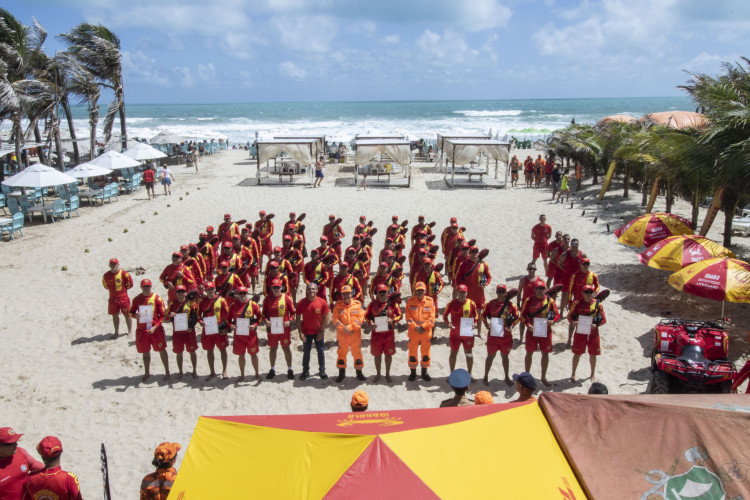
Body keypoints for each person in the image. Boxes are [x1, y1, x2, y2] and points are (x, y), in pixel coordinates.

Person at [520, 279, 560, 386]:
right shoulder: (529, 300)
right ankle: (527, 375)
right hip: (532, 330)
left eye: (542, 289)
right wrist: (528, 325)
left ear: (545, 289)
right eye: (538, 288)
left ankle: (543, 377)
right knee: (529, 353)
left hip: (545, 331)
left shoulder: (550, 301)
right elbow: (522, 316)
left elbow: (557, 314)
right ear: (534, 289)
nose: (539, 291)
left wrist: (553, 321)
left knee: (545, 353)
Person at [129, 279, 170, 382]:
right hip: (142, 330)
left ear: (151, 287)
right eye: (144, 286)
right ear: (141, 287)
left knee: (161, 350)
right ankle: (147, 373)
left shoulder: (157, 298)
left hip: (155, 329)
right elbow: (130, 313)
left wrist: (155, 326)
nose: (146, 288)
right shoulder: (137, 299)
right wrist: (135, 315)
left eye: (147, 286)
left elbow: (163, 316)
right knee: (145, 352)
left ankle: (167, 372)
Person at [481, 284, 520, 386]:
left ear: (506, 293)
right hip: (493, 335)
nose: (501, 293)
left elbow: (517, 318)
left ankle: (506, 377)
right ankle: (485, 376)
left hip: (506, 336)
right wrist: (486, 325)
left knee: (505, 357)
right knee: (490, 356)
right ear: (496, 292)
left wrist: (512, 326)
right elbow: (483, 315)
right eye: (499, 291)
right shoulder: (490, 303)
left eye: (503, 291)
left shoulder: (511, 305)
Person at [364, 283, 402, 383]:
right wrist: (370, 323)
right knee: (377, 355)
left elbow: (400, 315)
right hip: (376, 334)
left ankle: (387, 374)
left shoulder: (393, 304)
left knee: (388, 355)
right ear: (377, 293)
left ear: (387, 292)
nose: (382, 294)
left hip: (388, 335)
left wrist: (393, 320)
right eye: (380, 292)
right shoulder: (372, 304)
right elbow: (366, 316)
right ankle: (378, 374)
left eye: (384, 292)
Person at [568, 285, 607, 382]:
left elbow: (604, 320)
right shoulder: (576, 303)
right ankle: (573, 374)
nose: (588, 294)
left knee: (593, 354)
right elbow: (570, 316)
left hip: (593, 333)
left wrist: (597, 325)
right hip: (580, 332)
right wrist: (573, 322)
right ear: (582, 293)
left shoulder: (598, 305)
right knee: (577, 353)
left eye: (590, 292)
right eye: (586, 292)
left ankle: (592, 374)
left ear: (594, 293)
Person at [261, 278, 296, 380]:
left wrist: (289, 320)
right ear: (271, 288)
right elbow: (264, 314)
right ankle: (272, 369)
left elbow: (293, 312)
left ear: (281, 287)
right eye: (274, 287)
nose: (276, 289)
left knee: (286, 348)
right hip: (272, 329)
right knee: (273, 349)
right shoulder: (267, 300)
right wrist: (266, 321)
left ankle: (289, 369)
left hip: (284, 328)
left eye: (277, 287)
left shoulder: (286, 298)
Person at [331, 285, 367, 383]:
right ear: (341, 295)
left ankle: (359, 372)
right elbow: (335, 320)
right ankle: (341, 373)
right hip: (342, 334)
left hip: (355, 333)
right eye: (344, 294)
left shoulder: (358, 304)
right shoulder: (338, 306)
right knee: (341, 353)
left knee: (357, 353)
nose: (346, 296)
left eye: (348, 293)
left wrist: (350, 327)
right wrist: (344, 328)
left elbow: (361, 319)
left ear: (352, 294)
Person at [295, 283, 331, 381]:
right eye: (309, 289)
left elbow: (326, 318)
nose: (311, 291)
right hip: (306, 332)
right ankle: (305, 371)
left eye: (313, 289)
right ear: (306, 290)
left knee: (320, 350)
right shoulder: (301, 302)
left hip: (318, 332)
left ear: (317, 290)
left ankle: (322, 370)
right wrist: (300, 332)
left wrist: (321, 331)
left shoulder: (322, 302)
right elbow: (297, 318)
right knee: (306, 351)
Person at [442, 285, 478, 380]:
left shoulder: (471, 303)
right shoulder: (452, 303)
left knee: (469, 354)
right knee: (453, 354)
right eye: (460, 292)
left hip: (467, 335)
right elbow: (444, 315)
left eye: (464, 292)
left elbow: (476, 316)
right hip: (455, 335)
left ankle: (469, 373)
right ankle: (452, 374)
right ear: (457, 293)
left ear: (467, 293)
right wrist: (448, 323)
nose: (462, 294)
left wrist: (475, 323)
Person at [228, 286, 262, 382]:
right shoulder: (233, 306)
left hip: (251, 335)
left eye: (244, 293)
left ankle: (257, 373)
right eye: (240, 293)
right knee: (241, 355)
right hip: (239, 335)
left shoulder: (253, 305)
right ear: (237, 295)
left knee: (253, 355)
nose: (242, 295)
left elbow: (260, 317)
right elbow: (228, 320)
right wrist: (231, 326)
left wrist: (255, 325)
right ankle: (242, 375)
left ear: (247, 294)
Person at [0, 427, 44, 500]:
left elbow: (35, 465)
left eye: (16, 441)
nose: (16, 445)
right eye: (11, 443)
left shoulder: (21, 452)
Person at [455, 247, 491, 335]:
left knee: (478, 314)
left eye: (476, 251)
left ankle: (478, 333)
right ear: (470, 252)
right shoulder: (464, 264)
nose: (475, 253)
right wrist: (460, 290)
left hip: (479, 294)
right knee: (466, 313)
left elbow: (489, 277)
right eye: (473, 251)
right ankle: (466, 332)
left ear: (478, 253)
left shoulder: (484, 264)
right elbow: (458, 278)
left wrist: (486, 284)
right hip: (467, 294)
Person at [199, 281, 230, 380]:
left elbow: (228, 315)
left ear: (215, 289)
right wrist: (200, 322)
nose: (210, 291)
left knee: (223, 350)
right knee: (209, 350)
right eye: (208, 289)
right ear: (205, 291)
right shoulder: (202, 301)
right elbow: (198, 315)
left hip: (219, 330)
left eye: (212, 289)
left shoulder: (221, 300)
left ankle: (224, 370)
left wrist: (226, 329)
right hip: (208, 330)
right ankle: (212, 372)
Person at [404, 282, 435, 382]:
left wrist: (423, 326)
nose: (420, 292)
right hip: (414, 332)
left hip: (425, 332)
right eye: (418, 290)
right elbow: (408, 317)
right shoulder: (410, 301)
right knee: (412, 353)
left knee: (425, 354)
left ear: (425, 291)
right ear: (415, 291)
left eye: (422, 290)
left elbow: (432, 318)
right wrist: (415, 327)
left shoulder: (430, 301)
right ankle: (413, 372)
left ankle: (424, 372)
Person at [167, 285, 199, 379]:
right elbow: (166, 317)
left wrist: (192, 326)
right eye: (178, 292)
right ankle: (180, 371)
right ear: (175, 293)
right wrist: (170, 315)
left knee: (192, 351)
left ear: (186, 292)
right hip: (177, 332)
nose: (181, 293)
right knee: (179, 352)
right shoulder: (172, 303)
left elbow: (196, 316)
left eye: (182, 291)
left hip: (189, 332)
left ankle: (194, 371)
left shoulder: (191, 303)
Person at [102, 258, 133, 338]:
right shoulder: (106, 275)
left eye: (114, 264)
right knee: (114, 315)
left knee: (127, 314)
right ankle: (116, 332)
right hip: (112, 299)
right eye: (111, 264)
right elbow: (105, 286)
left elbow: (130, 284)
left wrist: (123, 292)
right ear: (109, 265)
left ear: (118, 264)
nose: (113, 266)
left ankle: (129, 331)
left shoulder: (123, 273)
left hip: (123, 298)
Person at [558, 238, 588, 311]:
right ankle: (561, 312)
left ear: (578, 245)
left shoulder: (582, 254)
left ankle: (575, 311)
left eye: (576, 244)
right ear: (571, 245)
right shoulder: (565, 254)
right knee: (565, 295)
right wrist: (565, 270)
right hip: (567, 277)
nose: (575, 246)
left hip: (577, 278)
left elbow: (586, 265)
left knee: (577, 295)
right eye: (573, 244)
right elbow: (559, 263)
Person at [516, 263, 538, 342]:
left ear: (535, 270)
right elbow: (519, 292)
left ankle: (535, 337)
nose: (532, 270)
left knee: (536, 321)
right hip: (525, 304)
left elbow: (545, 292)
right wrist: (518, 303)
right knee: (522, 321)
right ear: (527, 269)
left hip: (536, 304)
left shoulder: (540, 280)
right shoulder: (523, 280)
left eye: (533, 269)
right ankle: (521, 338)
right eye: (530, 269)